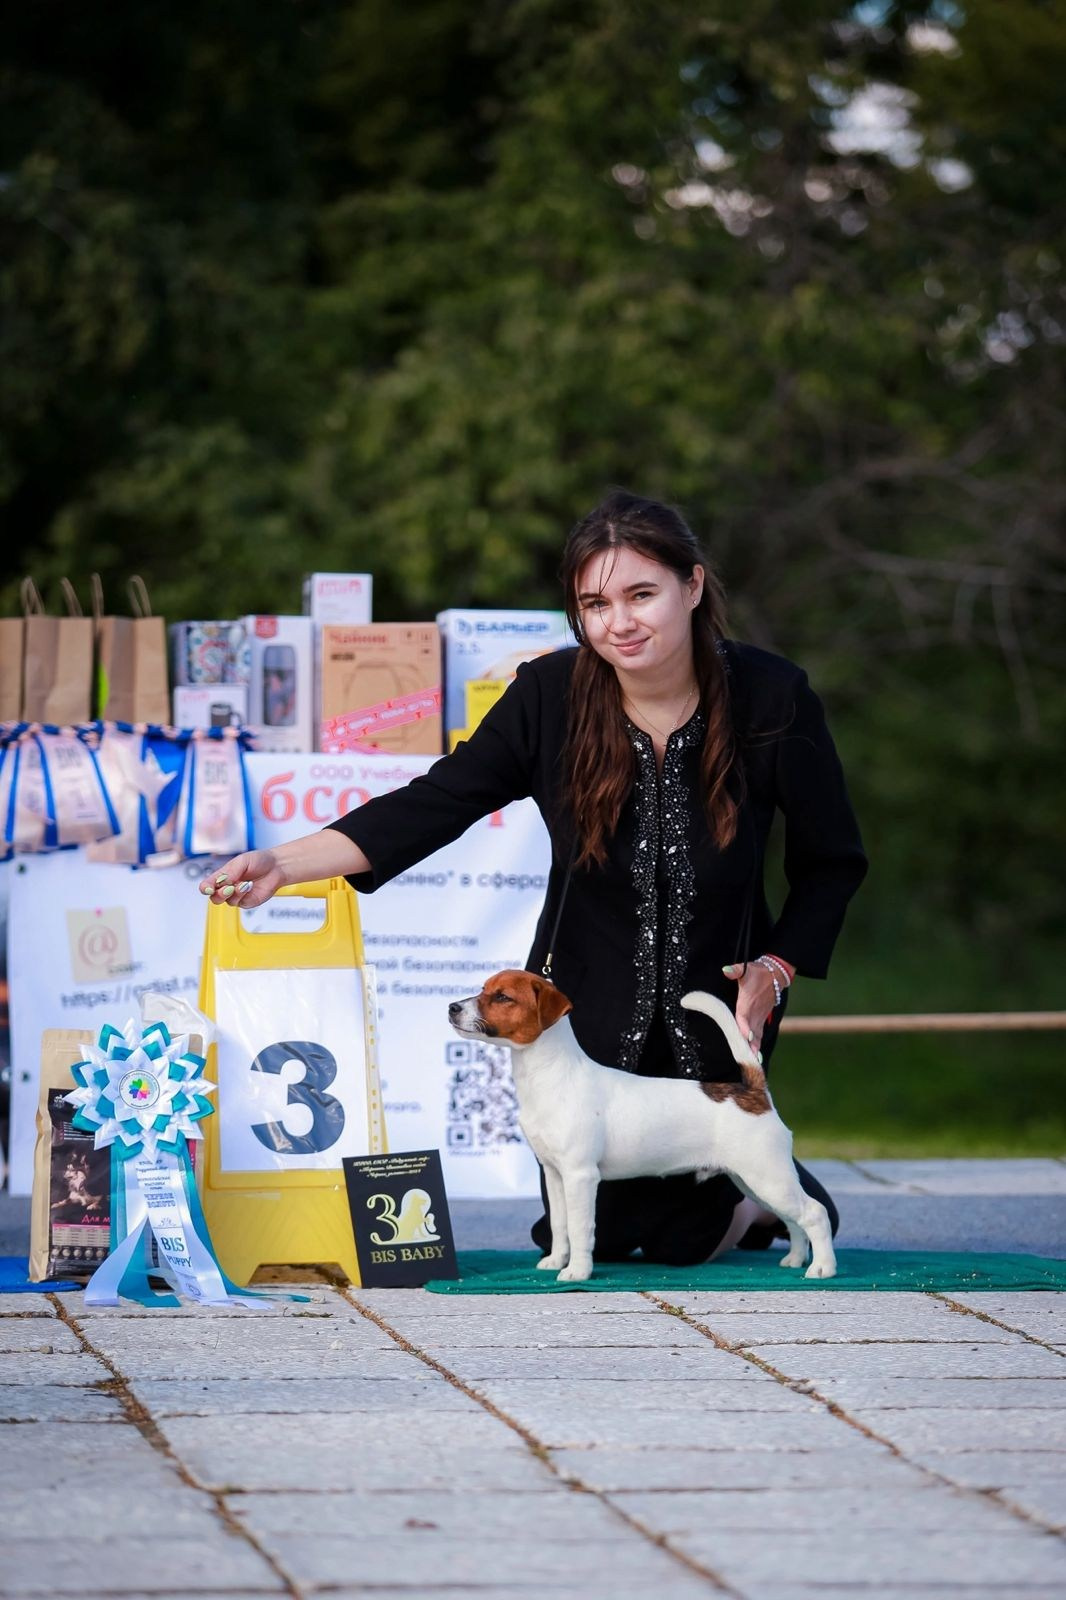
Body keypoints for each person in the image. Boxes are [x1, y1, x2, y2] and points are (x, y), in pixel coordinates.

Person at [201, 490, 867, 1264]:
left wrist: (774, 969)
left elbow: (831, 862)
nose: (619, 621)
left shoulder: (774, 696)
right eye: (595, 603)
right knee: (589, 1231)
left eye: (641, 594)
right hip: (581, 1003)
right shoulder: (548, 695)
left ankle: (762, 1190)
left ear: (692, 586)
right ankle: (749, 1198)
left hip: (719, 996)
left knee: (678, 1239)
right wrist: (284, 863)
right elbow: (436, 802)